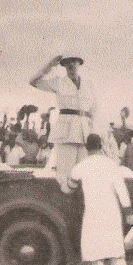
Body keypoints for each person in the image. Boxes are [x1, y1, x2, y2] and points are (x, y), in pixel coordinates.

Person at [68, 134, 133, 265]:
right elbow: (121, 190)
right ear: (101, 146)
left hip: (93, 212)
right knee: (115, 249)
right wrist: (129, 212)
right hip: (111, 211)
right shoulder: (111, 164)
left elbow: (71, 183)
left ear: (87, 148)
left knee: (96, 250)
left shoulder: (82, 165)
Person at [30, 53, 97, 192]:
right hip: (66, 132)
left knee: (84, 173)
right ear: (64, 65)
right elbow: (34, 81)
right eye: (67, 62)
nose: (71, 64)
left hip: (85, 132)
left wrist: (93, 130)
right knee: (66, 173)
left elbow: (93, 109)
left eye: (74, 61)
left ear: (79, 63)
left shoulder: (89, 84)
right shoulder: (59, 82)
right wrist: (49, 65)